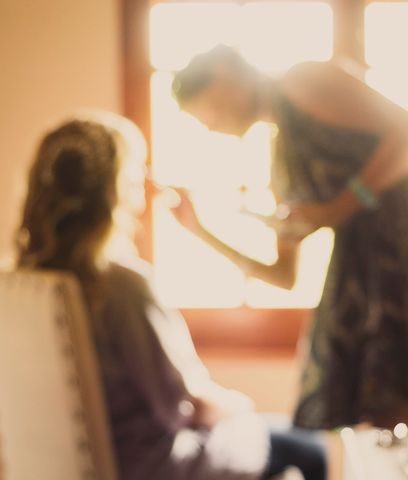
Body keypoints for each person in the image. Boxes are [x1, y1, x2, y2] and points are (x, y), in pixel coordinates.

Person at [15, 111, 327, 480]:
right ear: (112, 193)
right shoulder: (121, 285)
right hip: (151, 465)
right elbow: (184, 406)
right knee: (310, 450)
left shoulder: (25, 284)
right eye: (133, 181)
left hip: (94, 462)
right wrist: (239, 404)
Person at [169, 44, 408, 435]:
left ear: (222, 77)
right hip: (361, 274)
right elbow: (284, 276)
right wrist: (200, 232)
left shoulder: (303, 81)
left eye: (202, 112)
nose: (208, 126)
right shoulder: (280, 162)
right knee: (372, 414)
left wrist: (337, 208)